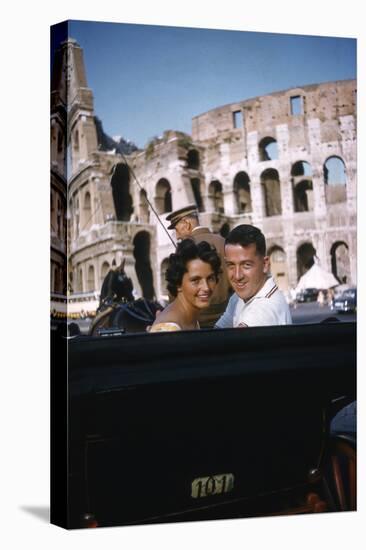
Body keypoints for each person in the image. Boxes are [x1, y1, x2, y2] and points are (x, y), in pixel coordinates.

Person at [215, 224, 292, 328]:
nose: (237, 276)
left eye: (246, 265)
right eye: (231, 265)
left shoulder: (264, 309)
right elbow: (218, 330)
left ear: (265, 264)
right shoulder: (238, 298)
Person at [166, 205, 231, 327]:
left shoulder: (185, 249)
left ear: (186, 224)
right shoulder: (224, 242)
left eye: (177, 230)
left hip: (197, 324)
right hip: (227, 320)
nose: (177, 236)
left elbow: (173, 292)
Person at [150, 239, 221, 332]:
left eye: (210, 278)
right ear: (178, 284)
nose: (206, 287)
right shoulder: (169, 329)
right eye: (195, 280)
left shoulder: (190, 317)